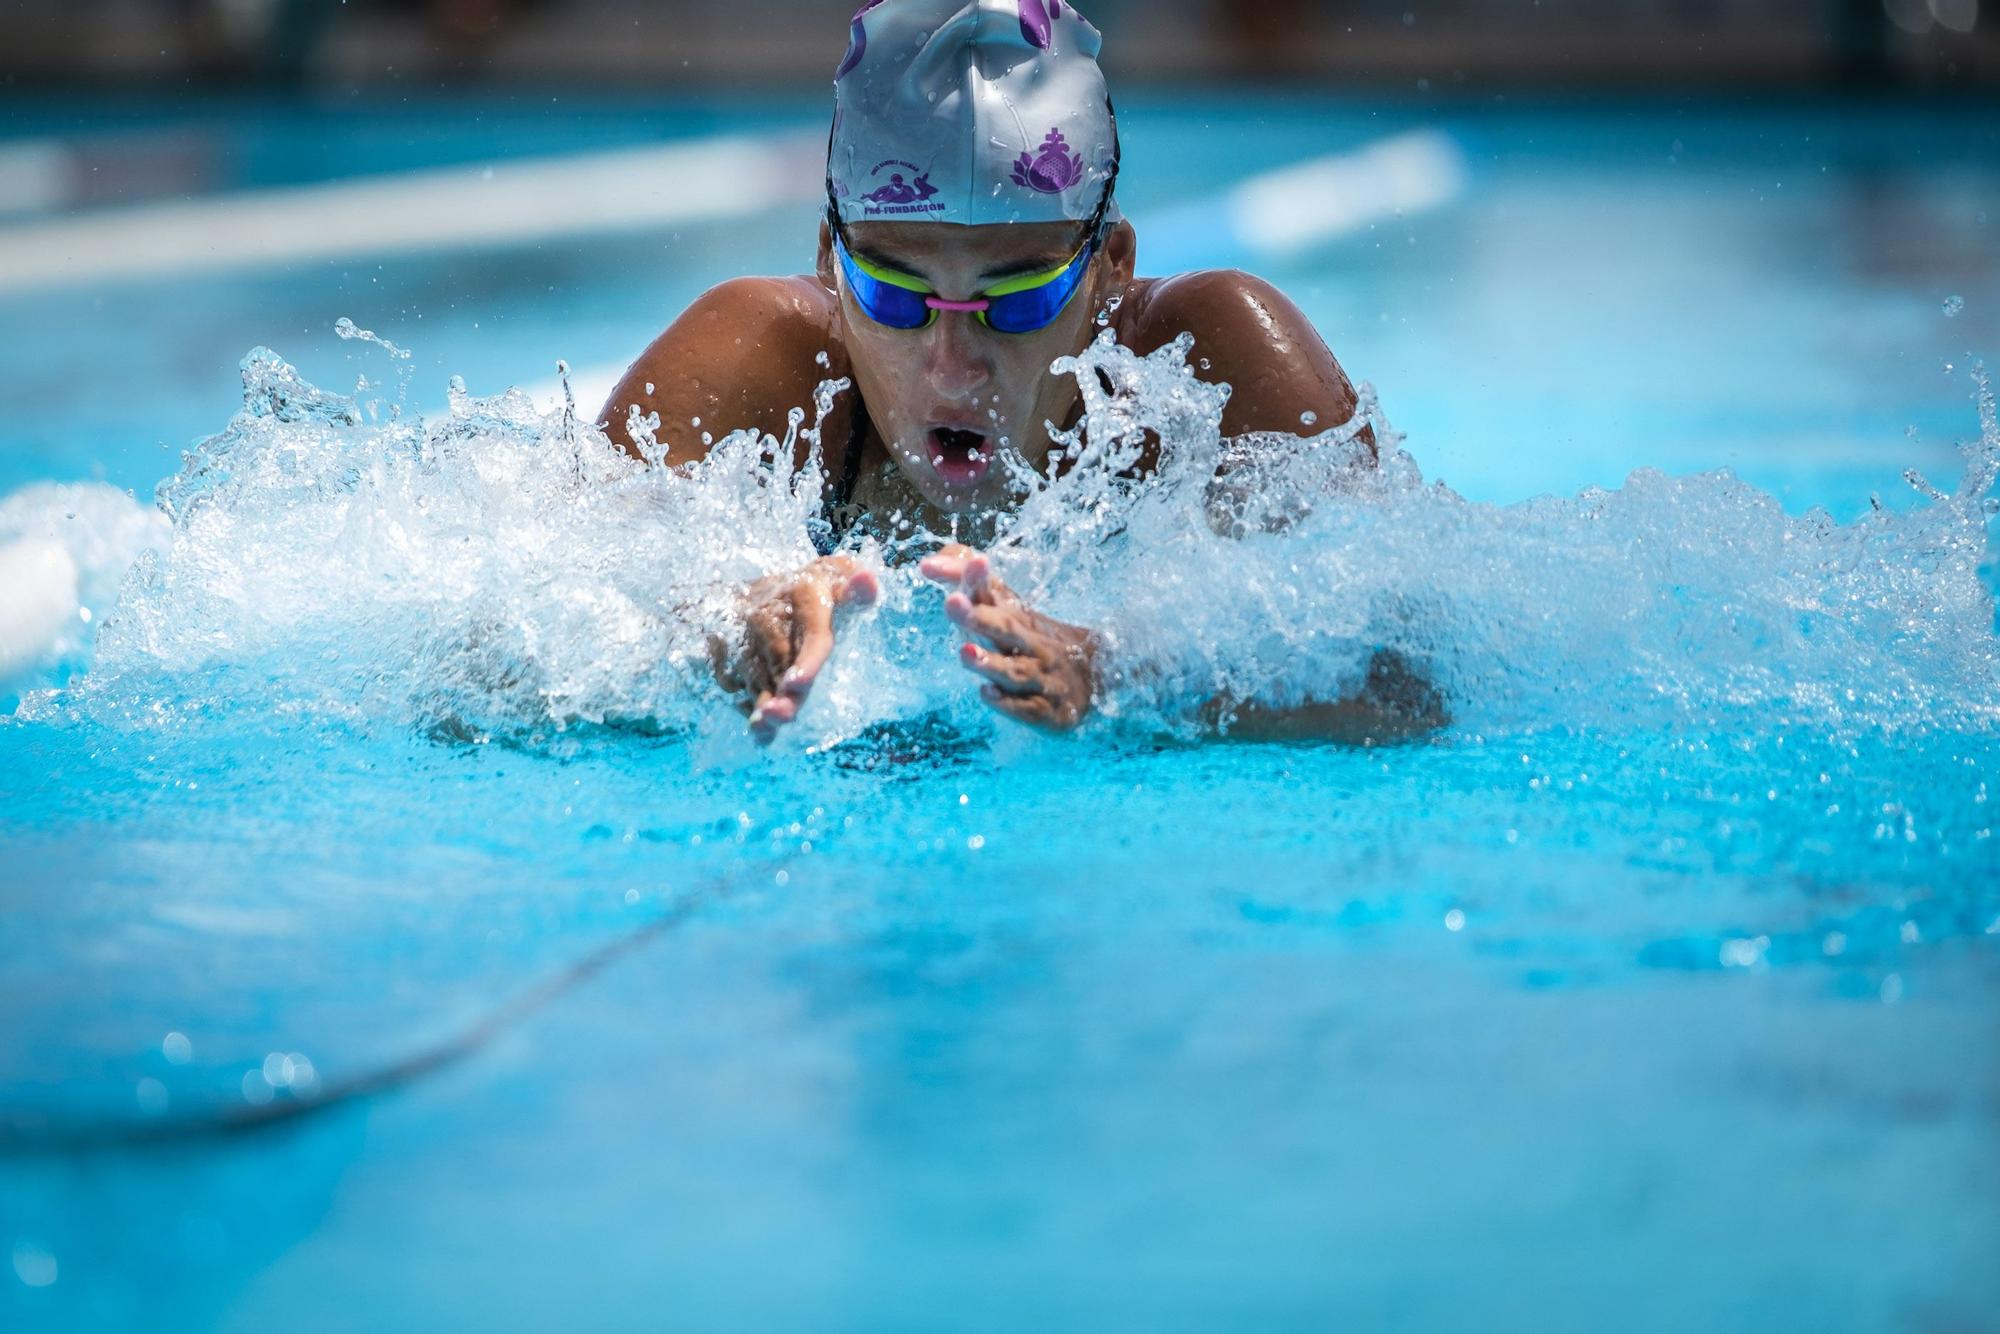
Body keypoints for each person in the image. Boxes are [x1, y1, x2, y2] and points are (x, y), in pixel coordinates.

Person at [600, 0, 1439, 744]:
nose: (954, 364)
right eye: (896, 297)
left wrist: (1124, 672)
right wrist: (720, 624)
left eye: (1020, 300)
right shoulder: (761, 364)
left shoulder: (1208, 363)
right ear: (829, 260)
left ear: (1110, 267)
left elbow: (1411, 676)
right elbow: (506, 635)